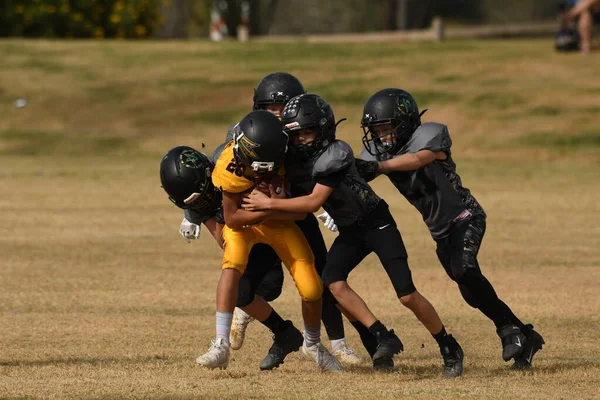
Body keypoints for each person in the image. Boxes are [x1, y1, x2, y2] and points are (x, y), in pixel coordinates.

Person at [242, 94, 464, 377]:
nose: (300, 140)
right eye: (294, 134)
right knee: (332, 282)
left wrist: (269, 205)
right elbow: (299, 214)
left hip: (377, 223)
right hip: (352, 230)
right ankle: (382, 335)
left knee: (406, 295)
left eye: (306, 132)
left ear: (323, 129)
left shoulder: (336, 153)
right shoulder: (296, 163)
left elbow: (312, 203)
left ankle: (449, 346)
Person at [352, 88, 544, 369]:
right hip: (440, 231)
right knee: (469, 292)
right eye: (376, 130)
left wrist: (380, 166)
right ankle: (524, 335)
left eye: (386, 128)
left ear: (404, 123)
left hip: (466, 217)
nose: (381, 136)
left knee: (465, 269)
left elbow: (416, 160)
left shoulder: (428, 139)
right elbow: (353, 177)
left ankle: (509, 331)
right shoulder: (382, 152)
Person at [208, 72, 372, 364]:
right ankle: (247, 316)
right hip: (257, 216)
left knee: (320, 274)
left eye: (282, 109)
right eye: (270, 109)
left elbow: (318, 175)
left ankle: (337, 343)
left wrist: (321, 210)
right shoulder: (247, 133)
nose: (277, 115)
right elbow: (222, 172)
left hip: (293, 210)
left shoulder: (298, 134)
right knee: (254, 285)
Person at [210, 109, 343, 372]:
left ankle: (313, 345)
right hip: (245, 224)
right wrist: (267, 208)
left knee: (312, 287)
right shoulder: (229, 163)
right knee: (232, 264)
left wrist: (270, 204)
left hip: (279, 223)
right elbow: (233, 218)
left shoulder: (287, 156)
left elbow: (302, 211)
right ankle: (221, 343)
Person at [160, 145, 307, 371]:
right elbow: (222, 240)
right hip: (247, 231)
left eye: (201, 198)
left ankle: (319, 341)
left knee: (273, 287)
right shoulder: (198, 203)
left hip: (277, 223)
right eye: (192, 204)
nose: (200, 203)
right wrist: (204, 216)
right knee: (244, 292)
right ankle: (284, 334)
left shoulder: (228, 163)